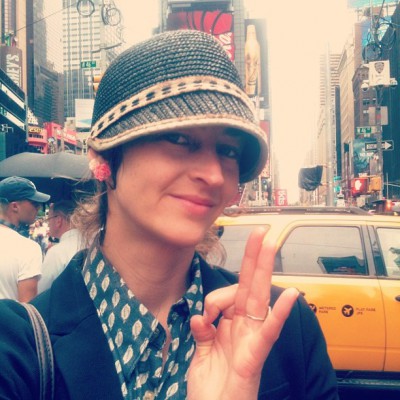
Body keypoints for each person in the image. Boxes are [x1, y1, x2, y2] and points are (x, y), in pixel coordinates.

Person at [0, 30, 338, 399]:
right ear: (103, 158)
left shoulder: (284, 327)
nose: (214, 175)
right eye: (179, 139)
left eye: (228, 150)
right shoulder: (18, 347)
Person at [0, 176, 50, 302]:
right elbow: (27, 306)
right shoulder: (28, 248)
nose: (39, 208)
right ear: (15, 206)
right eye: (34, 203)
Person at [38, 200, 83, 294]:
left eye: (49, 219)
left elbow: (41, 291)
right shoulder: (92, 244)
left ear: (58, 220)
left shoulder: (57, 252)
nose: (48, 224)